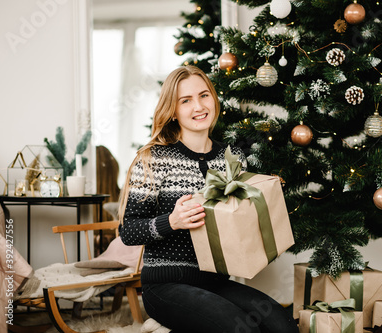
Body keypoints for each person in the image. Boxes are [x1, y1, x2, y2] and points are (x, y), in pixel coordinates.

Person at [118, 65, 299, 333]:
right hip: (165, 284)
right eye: (186, 100)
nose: (198, 106)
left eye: (204, 95)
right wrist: (172, 221)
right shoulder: (154, 158)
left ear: (213, 99)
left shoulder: (232, 156)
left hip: (215, 281)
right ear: (174, 111)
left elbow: (239, 220)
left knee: (282, 325)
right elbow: (129, 231)